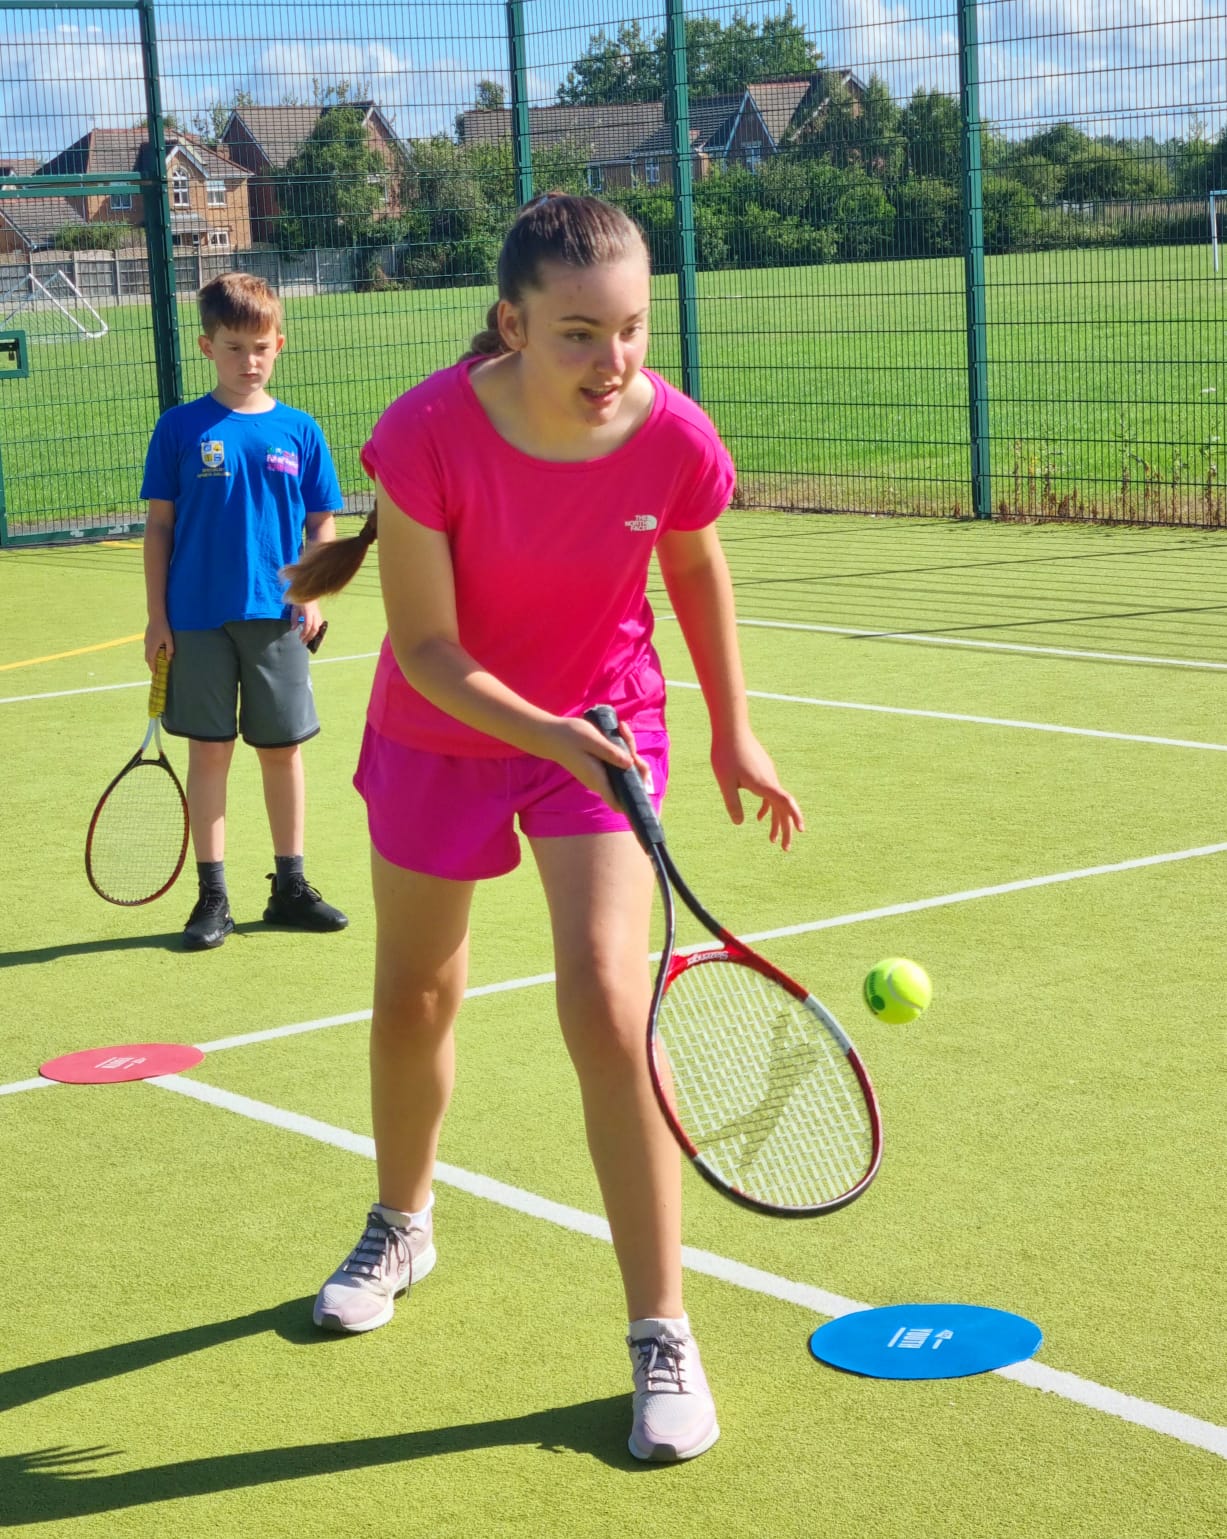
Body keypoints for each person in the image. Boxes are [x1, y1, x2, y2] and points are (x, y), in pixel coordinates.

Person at [284, 194, 802, 1463]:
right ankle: (403, 1221)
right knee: (414, 996)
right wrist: (550, 730)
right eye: (578, 334)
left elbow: (692, 565)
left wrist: (734, 727)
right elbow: (425, 648)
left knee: (606, 1005)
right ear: (512, 325)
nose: (613, 362)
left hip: (602, 730)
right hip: (446, 731)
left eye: (630, 330)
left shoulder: (670, 433)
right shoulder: (426, 435)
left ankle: (662, 1333)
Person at [141, 271, 348, 950]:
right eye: (233, 347)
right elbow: (160, 529)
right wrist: (157, 617)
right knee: (209, 750)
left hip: (278, 618)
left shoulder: (301, 431)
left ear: (279, 344)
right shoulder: (178, 428)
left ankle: (289, 886)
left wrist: (310, 592)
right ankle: (213, 897)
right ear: (206, 346)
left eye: (259, 346)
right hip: (195, 617)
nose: (247, 360)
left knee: (282, 752)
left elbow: (324, 524)